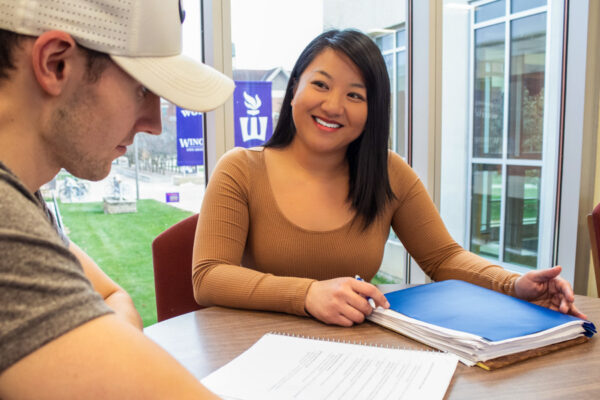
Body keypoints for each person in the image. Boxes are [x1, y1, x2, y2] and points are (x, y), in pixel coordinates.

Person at [192, 29, 586, 328]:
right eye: (321, 84)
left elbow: (444, 258)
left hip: (356, 351)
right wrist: (307, 293)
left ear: (372, 111)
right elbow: (208, 276)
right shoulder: (241, 168)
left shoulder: (388, 172)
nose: (333, 106)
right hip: (254, 349)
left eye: (355, 95)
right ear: (294, 87)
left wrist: (513, 285)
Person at [0, 0, 234, 399]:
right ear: (56, 64)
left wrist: (100, 344)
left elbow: (113, 296)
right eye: (141, 89)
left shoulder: (26, 198)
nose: (154, 123)